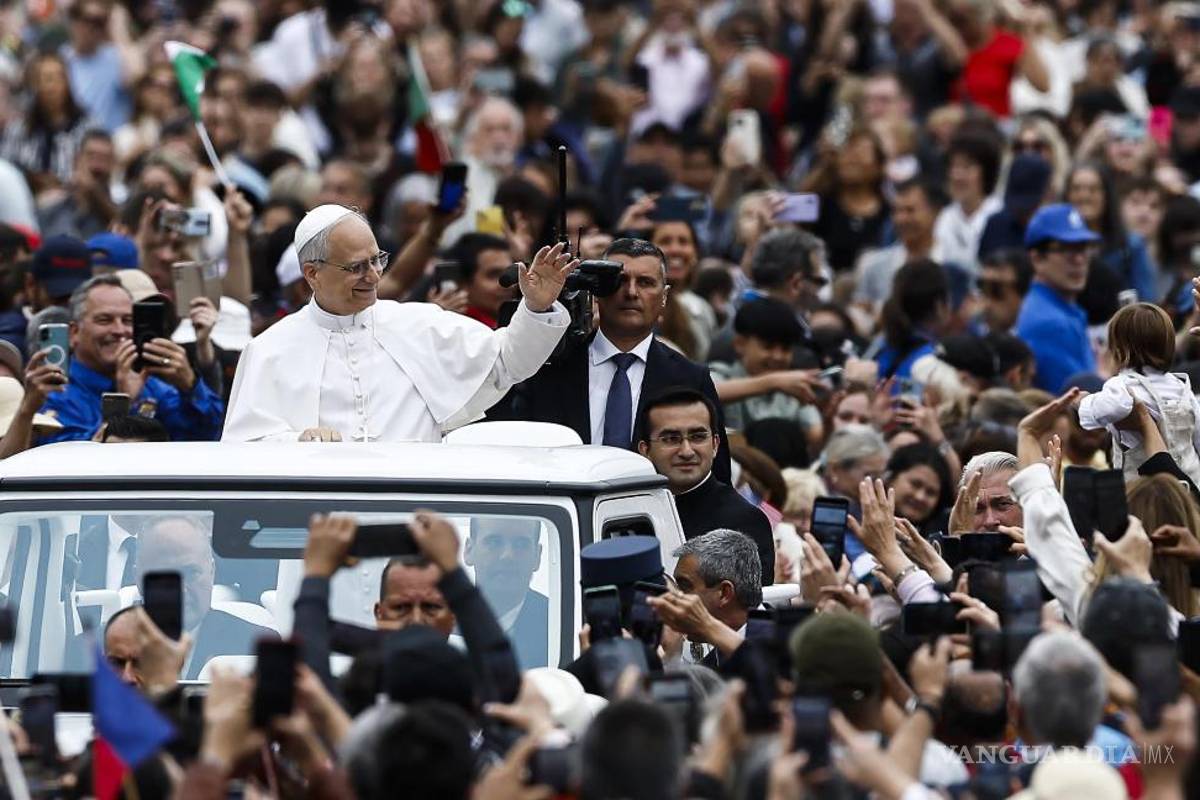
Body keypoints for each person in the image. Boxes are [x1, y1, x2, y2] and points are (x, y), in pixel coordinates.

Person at [222, 205, 572, 443]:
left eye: (377, 260)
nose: (373, 276)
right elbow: (243, 450)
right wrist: (297, 442)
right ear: (312, 273)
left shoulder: (419, 325)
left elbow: (508, 362)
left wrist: (536, 307)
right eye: (357, 267)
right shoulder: (269, 350)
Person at [492, 237, 732, 482]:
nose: (631, 292)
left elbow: (716, 480)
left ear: (664, 297)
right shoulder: (548, 369)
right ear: (596, 291)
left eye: (646, 282)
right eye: (620, 281)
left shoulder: (690, 378)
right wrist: (535, 309)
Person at [37, 275, 223, 443]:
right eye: (104, 320)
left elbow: (206, 436)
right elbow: (68, 462)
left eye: (127, 320)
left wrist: (189, 385)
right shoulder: (53, 391)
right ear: (74, 333)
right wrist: (123, 405)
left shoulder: (151, 386)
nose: (119, 331)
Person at [636, 387, 774, 580]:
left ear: (716, 445)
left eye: (698, 437)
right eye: (671, 439)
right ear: (645, 450)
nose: (686, 451)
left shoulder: (744, 521)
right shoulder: (628, 510)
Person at [134, 514, 275, 679]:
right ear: (137, 577)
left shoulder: (258, 646)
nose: (181, 588)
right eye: (163, 575)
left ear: (212, 572)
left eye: (192, 573)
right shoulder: (102, 649)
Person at [1079, 303, 1200, 485]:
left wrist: (1083, 403)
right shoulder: (1181, 387)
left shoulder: (1123, 385)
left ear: (1119, 350)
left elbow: (1110, 407)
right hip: (1190, 484)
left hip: (1144, 489)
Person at [710, 297, 823, 451]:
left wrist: (828, 418)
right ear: (740, 344)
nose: (777, 356)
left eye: (785, 349)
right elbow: (705, 392)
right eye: (768, 347)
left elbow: (814, 436)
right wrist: (772, 382)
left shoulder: (792, 387)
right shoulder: (722, 373)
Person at [1015, 203, 1100, 392]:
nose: (1079, 260)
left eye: (1083, 247)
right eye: (1066, 249)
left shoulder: (1061, 308)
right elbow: (1079, 404)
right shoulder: (1050, 322)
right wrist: (1106, 375)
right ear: (1037, 258)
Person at [463, 517, 548, 668]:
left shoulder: (560, 622)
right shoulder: (436, 617)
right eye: (494, 542)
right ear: (469, 550)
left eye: (521, 545)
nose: (507, 556)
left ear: (537, 556)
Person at [669, 529, 762, 667]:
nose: (674, 599)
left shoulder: (789, 648)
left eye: (684, 587)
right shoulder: (706, 670)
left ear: (724, 593)